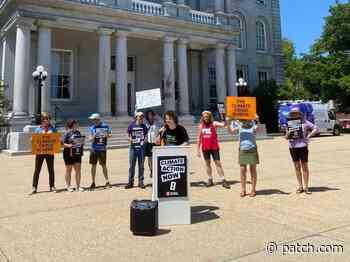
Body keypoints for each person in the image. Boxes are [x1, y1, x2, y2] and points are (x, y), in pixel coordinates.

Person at [285, 108, 318, 194]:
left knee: (304, 166)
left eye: (296, 113)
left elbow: (315, 128)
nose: (295, 115)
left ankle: (306, 187)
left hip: (303, 146)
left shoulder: (305, 122)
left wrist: (308, 136)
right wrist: (289, 132)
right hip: (292, 147)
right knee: (296, 166)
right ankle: (300, 186)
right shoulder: (289, 123)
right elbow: (286, 137)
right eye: (293, 113)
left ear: (299, 114)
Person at [197, 111, 230, 189]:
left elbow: (224, 125)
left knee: (218, 163)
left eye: (207, 117)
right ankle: (210, 179)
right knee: (207, 163)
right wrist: (197, 150)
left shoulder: (214, 123)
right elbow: (199, 138)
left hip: (214, 147)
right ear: (202, 117)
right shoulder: (201, 126)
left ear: (210, 117)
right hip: (205, 147)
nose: (206, 118)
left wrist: (225, 119)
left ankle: (223, 180)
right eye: (204, 117)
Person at [228, 117, 260, 197]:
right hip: (242, 149)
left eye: (246, 119)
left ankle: (253, 189)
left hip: (252, 149)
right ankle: (243, 189)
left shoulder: (253, 124)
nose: (245, 120)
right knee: (242, 170)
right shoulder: (239, 125)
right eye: (243, 119)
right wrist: (228, 122)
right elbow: (231, 132)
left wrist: (257, 120)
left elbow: (258, 129)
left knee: (252, 170)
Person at [31, 113, 57, 194]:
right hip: (40, 152)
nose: (48, 121)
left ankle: (52, 186)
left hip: (50, 152)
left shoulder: (53, 129)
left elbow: (56, 140)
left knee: (51, 170)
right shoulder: (38, 129)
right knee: (37, 170)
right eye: (46, 119)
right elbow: (33, 139)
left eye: (49, 119)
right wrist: (32, 139)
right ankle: (34, 187)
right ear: (43, 120)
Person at [88, 113, 112, 190]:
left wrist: (107, 135)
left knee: (103, 165)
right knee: (93, 165)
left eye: (94, 119)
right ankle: (93, 182)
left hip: (102, 149)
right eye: (93, 120)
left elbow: (110, 134)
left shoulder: (105, 126)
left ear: (98, 119)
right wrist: (93, 136)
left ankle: (107, 181)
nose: (93, 121)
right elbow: (90, 139)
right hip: (94, 149)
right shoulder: (92, 128)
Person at [125, 112, 148, 189]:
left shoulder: (144, 126)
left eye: (142, 116)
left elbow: (146, 136)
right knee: (132, 166)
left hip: (141, 148)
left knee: (141, 166)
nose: (141, 118)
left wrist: (145, 140)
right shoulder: (131, 125)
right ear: (136, 117)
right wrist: (129, 139)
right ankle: (130, 182)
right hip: (133, 148)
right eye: (140, 116)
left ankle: (141, 182)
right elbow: (127, 135)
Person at [62, 119, 84, 192]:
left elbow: (80, 141)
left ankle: (78, 186)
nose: (77, 125)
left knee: (78, 170)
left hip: (77, 153)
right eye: (75, 124)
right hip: (68, 153)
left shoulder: (78, 132)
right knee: (69, 170)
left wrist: (82, 143)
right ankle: (68, 186)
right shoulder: (66, 133)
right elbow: (62, 143)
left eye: (77, 124)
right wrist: (68, 145)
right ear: (72, 124)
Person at [144, 110, 161, 178]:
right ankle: (151, 170)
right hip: (148, 142)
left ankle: (156, 170)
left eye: (151, 114)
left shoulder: (157, 122)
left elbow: (163, 126)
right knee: (150, 158)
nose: (150, 116)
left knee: (156, 157)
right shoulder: (145, 123)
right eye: (148, 115)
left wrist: (159, 136)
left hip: (156, 142)